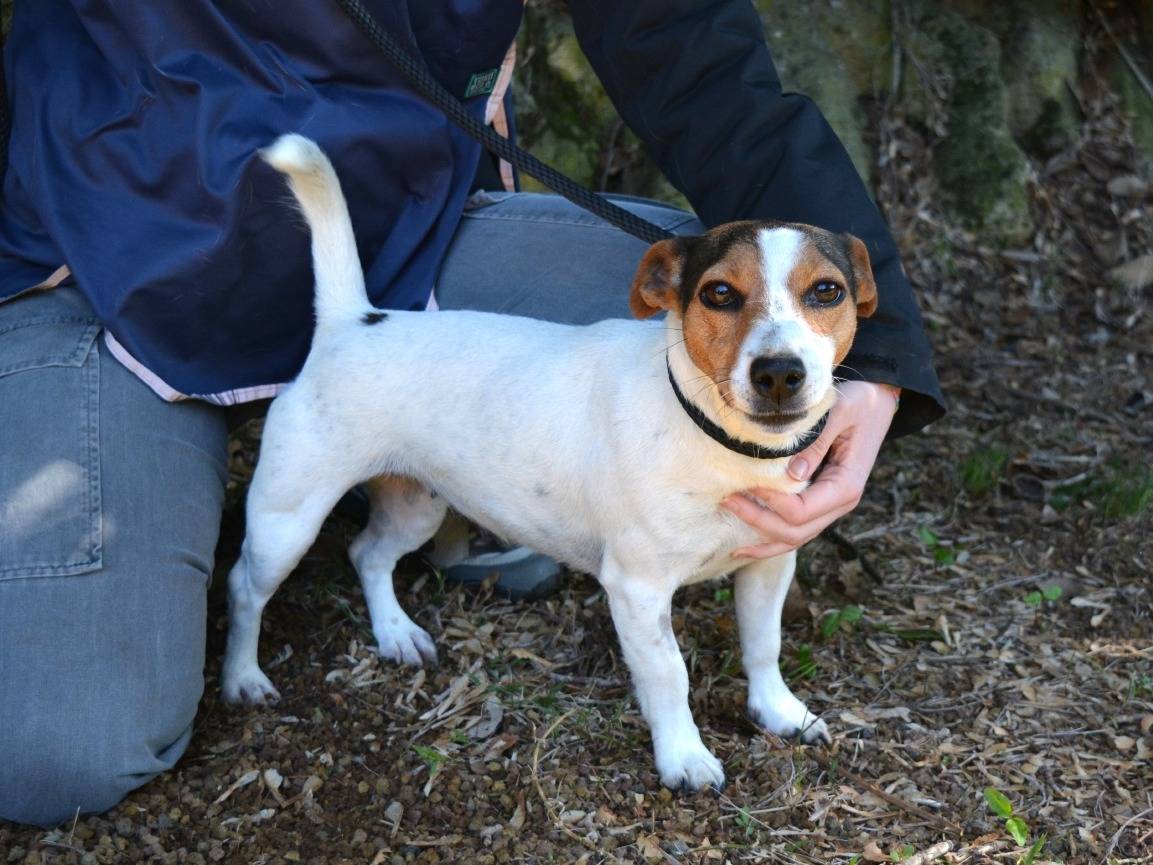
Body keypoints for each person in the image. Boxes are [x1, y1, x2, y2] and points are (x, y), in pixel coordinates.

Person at [0, 0, 944, 827]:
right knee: (64, 747)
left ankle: (501, 502)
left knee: (720, 285)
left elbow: (686, 43)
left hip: (416, 222)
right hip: (106, 247)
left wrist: (879, 355)